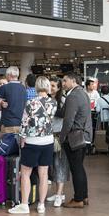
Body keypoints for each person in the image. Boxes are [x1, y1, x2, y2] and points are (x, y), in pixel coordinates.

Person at [10, 76, 57, 214]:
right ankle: (41, 205)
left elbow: (24, 122)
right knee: (44, 174)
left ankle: (24, 205)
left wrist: (22, 138)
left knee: (25, 173)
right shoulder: (53, 102)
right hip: (48, 140)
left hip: (32, 141)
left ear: (36, 87)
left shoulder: (30, 102)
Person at [59, 74, 92, 208]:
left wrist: (62, 137)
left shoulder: (73, 96)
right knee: (79, 167)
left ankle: (78, 199)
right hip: (84, 136)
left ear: (73, 81)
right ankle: (84, 196)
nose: (63, 83)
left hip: (74, 137)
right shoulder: (83, 93)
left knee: (76, 168)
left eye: (65, 81)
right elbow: (63, 112)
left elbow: (68, 120)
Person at [47, 78, 70, 207]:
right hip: (48, 135)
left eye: (53, 86)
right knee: (53, 166)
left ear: (59, 88)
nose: (50, 88)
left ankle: (60, 194)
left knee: (60, 164)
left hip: (59, 136)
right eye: (49, 85)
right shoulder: (47, 100)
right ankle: (58, 193)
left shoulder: (63, 101)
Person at [0, 66, 27, 137]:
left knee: (5, 143)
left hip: (7, 124)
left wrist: (1, 103)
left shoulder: (3, 88)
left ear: (9, 75)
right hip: (20, 123)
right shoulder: (23, 88)